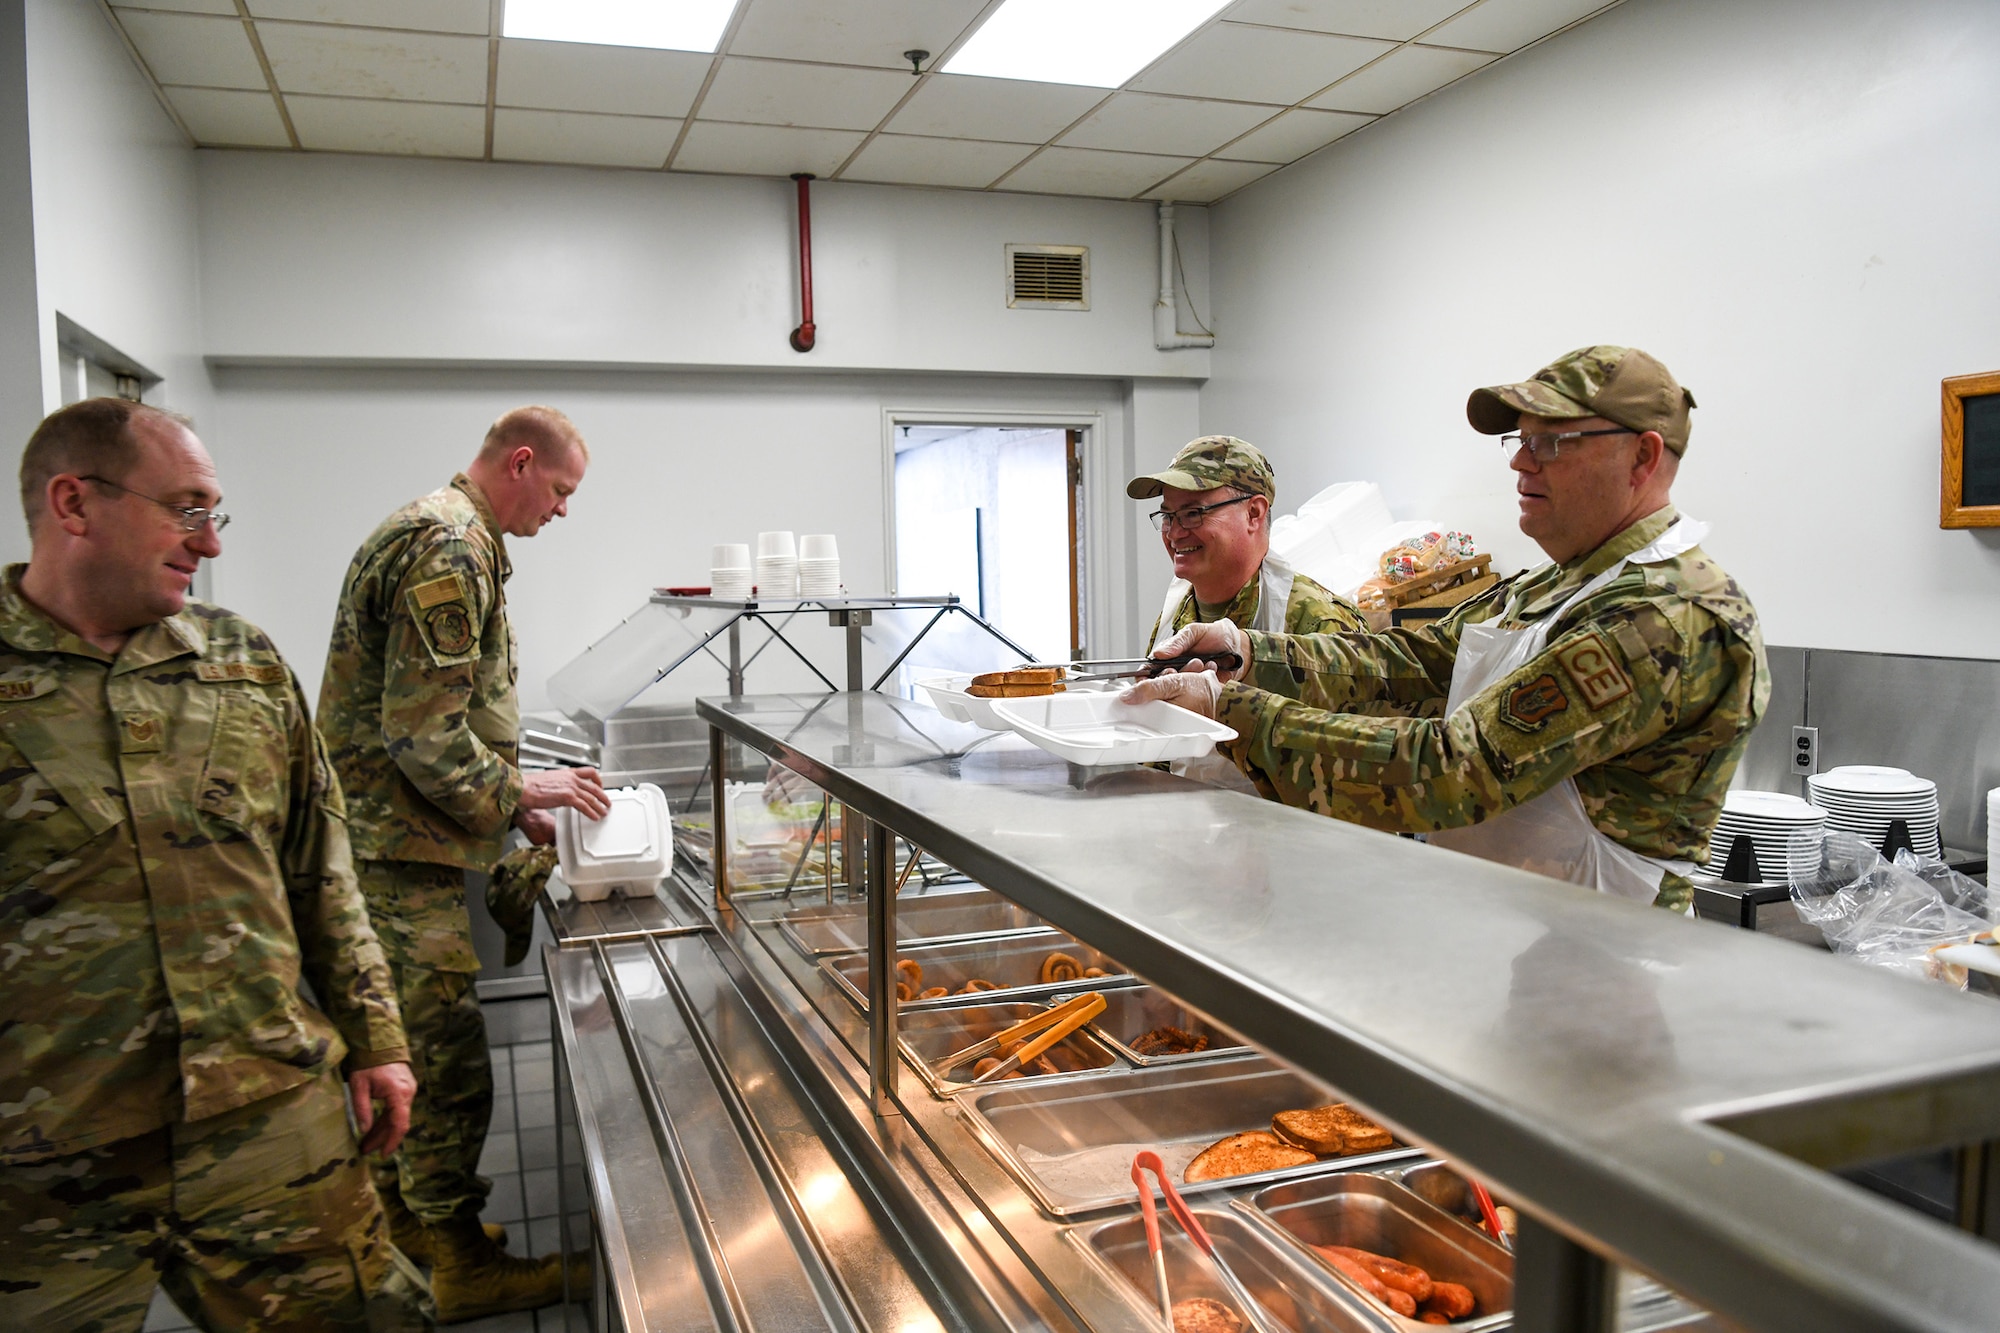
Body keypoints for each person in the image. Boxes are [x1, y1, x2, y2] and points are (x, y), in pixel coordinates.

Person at [0, 399, 426, 1329]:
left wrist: (379, 1039)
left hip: (269, 1118)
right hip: (45, 1164)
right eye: (185, 509)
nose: (211, 543)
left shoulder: (243, 664)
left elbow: (322, 868)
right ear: (75, 504)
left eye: (214, 513)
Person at [1127, 347, 1769, 912]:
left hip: (1611, 953)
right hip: (1520, 919)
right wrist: (1249, 651)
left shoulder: (1662, 617)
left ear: (1642, 456)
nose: (1520, 463)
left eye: (1551, 444)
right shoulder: (1555, 583)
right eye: (1517, 441)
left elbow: (1455, 769)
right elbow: (1418, 655)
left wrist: (1232, 707)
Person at [317, 406, 606, 1321]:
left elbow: (444, 720)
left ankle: (409, 1229)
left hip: (394, 841)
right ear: (520, 463)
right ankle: (457, 1262)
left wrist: (515, 800)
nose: (562, 512)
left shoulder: (446, 532)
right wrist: (518, 795)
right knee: (442, 1063)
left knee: (400, 1048)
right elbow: (423, 734)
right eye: (560, 490)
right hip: (396, 853)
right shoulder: (453, 547)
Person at [1128, 435, 1369, 652]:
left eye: (1193, 513)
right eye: (1167, 516)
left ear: (1253, 513)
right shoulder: (1177, 613)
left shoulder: (1319, 621)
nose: (1175, 533)